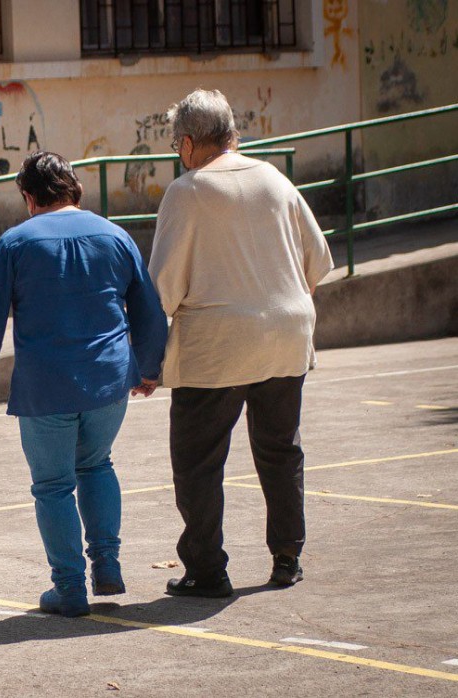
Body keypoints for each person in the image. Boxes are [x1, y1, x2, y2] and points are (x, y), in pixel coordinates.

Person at [0, 151, 168, 617]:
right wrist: (149, 368)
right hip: (109, 379)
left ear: (29, 198)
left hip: (46, 384)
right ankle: (107, 564)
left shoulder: (15, 243)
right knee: (97, 465)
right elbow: (149, 307)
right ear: (77, 191)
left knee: (52, 486)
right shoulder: (115, 235)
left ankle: (69, 588)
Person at [149, 89, 334, 598]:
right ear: (233, 134)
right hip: (286, 335)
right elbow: (316, 263)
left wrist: (145, 357)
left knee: (199, 460)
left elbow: (163, 288)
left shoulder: (187, 191)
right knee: (280, 450)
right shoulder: (275, 179)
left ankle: (207, 570)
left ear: (187, 143)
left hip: (217, 345)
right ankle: (287, 556)